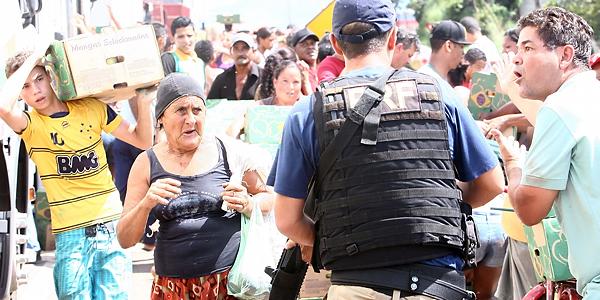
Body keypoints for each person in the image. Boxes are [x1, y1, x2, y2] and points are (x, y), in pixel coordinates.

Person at [270, 0, 504, 298]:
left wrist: (335, 237)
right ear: (393, 37)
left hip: (355, 284)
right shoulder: (437, 92)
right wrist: (437, 213)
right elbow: (493, 183)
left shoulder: (308, 111)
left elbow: (287, 220)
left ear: (335, 43)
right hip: (437, 283)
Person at [1, 40, 155, 298]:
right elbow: (4, 108)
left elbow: (142, 140)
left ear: (51, 76)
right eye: (26, 86)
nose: (36, 89)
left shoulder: (91, 108)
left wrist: (144, 102)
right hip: (70, 235)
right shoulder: (30, 125)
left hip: (110, 226)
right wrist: (34, 56)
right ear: (20, 94)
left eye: (39, 79)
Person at [116, 73, 273, 299]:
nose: (191, 119)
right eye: (181, 110)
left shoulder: (227, 151)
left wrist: (248, 203)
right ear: (161, 118)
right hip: (172, 288)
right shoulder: (146, 163)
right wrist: (146, 204)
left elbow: (271, 198)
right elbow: (125, 239)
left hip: (227, 286)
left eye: (197, 110)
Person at [490, 7, 600, 298]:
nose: (517, 58)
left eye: (528, 47)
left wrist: (513, 165)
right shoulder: (591, 96)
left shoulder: (561, 106)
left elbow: (529, 208)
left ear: (564, 56)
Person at [207, 33, 262, 100]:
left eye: (245, 48)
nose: (240, 53)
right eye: (236, 48)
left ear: (253, 51)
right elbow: (211, 104)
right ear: (231, 52)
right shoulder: (222, 79)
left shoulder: (264, 77)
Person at [161, 16, 206, 90]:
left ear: (195, 36)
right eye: (181, 37)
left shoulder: (200, 62)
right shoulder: (169, 59)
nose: (186, 41)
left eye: (189, 36)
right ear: (172, 38)